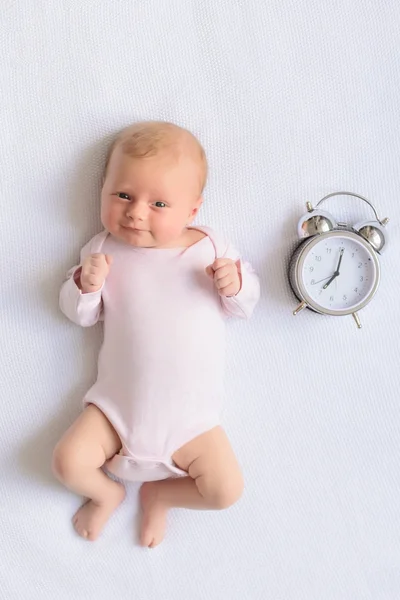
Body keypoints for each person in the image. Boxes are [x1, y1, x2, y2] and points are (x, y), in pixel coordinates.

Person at [53, 121, 260, 548]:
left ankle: (161, 495)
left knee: (226, 491)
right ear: (104, 188)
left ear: (192, 211)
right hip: (114, 414)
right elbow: (80, 316)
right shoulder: (102, 250)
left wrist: (236, 285)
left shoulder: (211, 249)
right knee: (67, 462)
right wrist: (84, 286)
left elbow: (245, 306)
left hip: (191, 425)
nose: (136, 212)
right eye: (123, 195)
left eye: (159, 203)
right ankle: (107, 492)